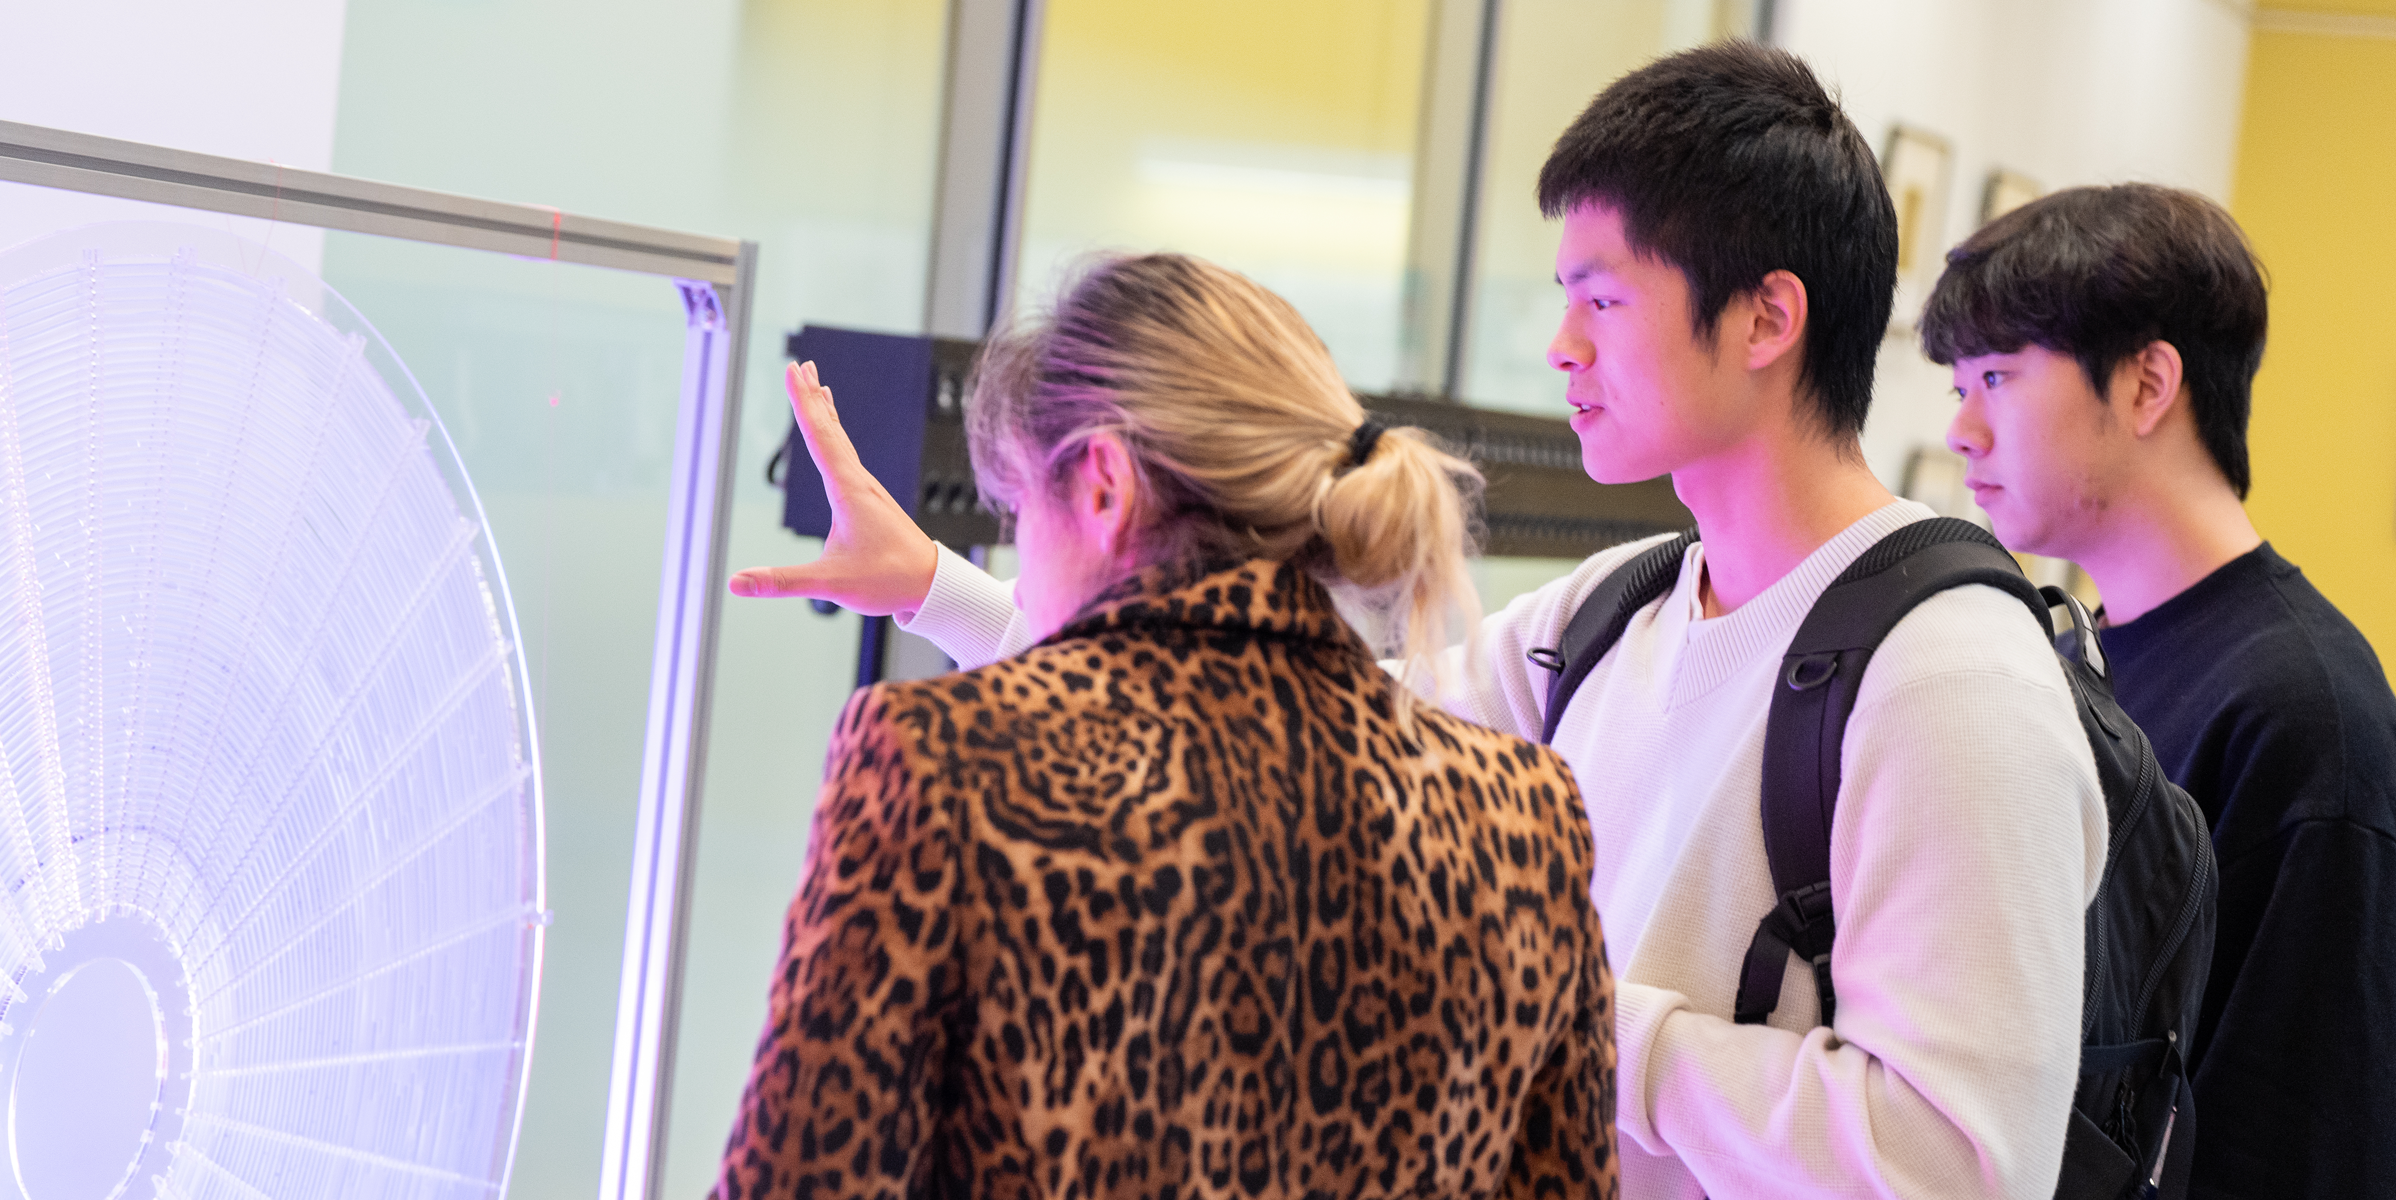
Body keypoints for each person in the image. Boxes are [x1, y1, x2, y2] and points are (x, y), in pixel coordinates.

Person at [753, 43, 2105, 1200]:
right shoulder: (1621, 604)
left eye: (1600, 298)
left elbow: (1960, 1165)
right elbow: (1276, 736)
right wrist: (943, 586)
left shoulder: (1952, 680)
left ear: (1766, 318)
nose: (1562, 348)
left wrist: (1570, 1012)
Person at [714, 253, 1618, 1200]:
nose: (1021, 561)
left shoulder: (936, 764)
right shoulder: (1522, 815)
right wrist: (941, 591)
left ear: (1102, 485)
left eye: (1020, 508)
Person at [1925, 183, 2396, 1199]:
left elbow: (2301, 1141)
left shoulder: (2301, 715)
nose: (1962, 429)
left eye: (1998, 377)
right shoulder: (2065, 654)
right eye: (1960, 384)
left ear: (2147, 386)